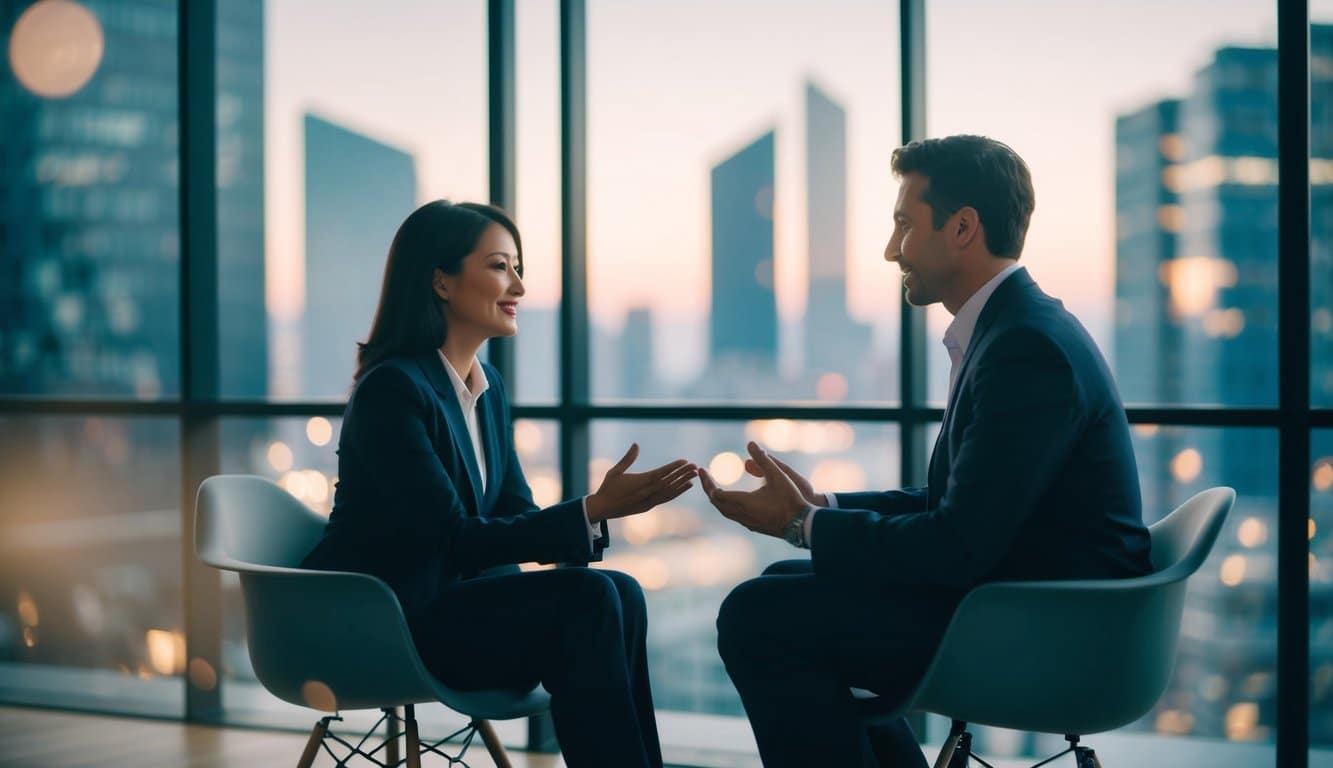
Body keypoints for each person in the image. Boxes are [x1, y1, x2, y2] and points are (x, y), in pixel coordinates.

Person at [699, 135, 1153, 767]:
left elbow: (959, 542)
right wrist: (819, 506)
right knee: (780, 587)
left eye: (904, 226)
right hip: (1016, 597)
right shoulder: (1012, 331)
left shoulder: (1025, 351)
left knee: (758, 616)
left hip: (1042, 627)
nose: (891, 251)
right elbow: (959, 505)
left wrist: (804, 525)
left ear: (962, 227)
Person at [301, 200, 694, 768]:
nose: (519, 287)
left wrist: (600, 511)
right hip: (392, 620)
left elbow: (512, 512)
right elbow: (454, 538)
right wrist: (588, 509)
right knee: (589, 600)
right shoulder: (394, 391)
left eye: (518, 268)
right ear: (441, 281)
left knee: (621, 592)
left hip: (455, 608)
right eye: (499, 266)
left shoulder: (487, 390)